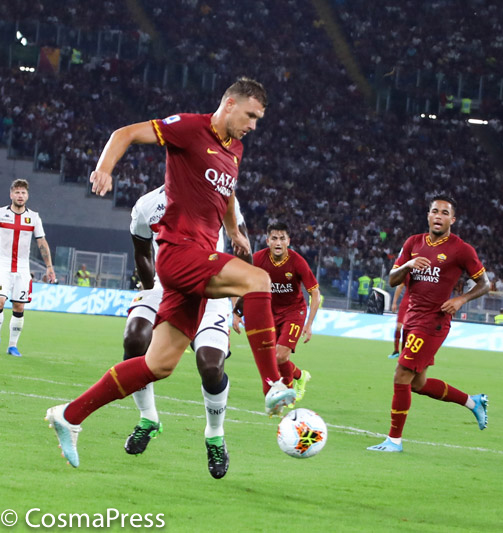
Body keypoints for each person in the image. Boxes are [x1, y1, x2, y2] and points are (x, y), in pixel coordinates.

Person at [45, 77, 296, 470]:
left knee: (158, 364)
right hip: (180, 253)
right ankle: (272, 385)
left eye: (258, 119)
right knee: (259, 279)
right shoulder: (190, 128)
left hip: (199, 259)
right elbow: (125, 133)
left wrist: (232, 228)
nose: (253, 125)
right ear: (229, 104)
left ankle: (70, 416)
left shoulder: (236, 148)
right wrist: (104, 168)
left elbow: (226, 192)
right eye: (250, 115)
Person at [122, 185, 248, 479]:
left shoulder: (221, 196)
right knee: (134, 338)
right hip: (165, 289)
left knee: (211, 366)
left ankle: (215, 436)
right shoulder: (147, 205)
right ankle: (147, 418)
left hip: (210, 290)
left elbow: (244, 248)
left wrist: (240, 301)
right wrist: (151, 289)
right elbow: (141, 252)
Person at [367, 195, 490, 453]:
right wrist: (409, 264)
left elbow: (484, 284)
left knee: (401, 375)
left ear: (452, 220)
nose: (438, 216)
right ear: (428, 215)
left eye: (445, 213)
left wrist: (460, 300)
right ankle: (473, 402)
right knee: (417, 384)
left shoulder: (461, 249)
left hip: (434, 322)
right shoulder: (413, 243)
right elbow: (391, 279)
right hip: (412, 320)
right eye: (435, 211)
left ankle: (394, 441)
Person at [234, 222, 320, 403]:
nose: (278, 242)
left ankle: (287, 393)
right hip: (269, 314)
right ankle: (300, 376)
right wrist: (236, 313)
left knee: (280, 355)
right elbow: (241, 284)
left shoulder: (297, 262)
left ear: (288, 241)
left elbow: (315, 292)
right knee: (272, 358)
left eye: (282, 238)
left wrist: (309, 323)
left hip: (294, 312)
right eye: (274, 238)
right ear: (268, 241)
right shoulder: (257, 259)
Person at [0, 179, 57, 357]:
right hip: (2, 264)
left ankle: (12, 346)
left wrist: (49, 266)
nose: (20, 195)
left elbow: (41, 242)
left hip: (23, 268)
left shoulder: (33, 217)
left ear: (27, 195)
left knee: (18, 306)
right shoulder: (1, 214)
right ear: (11, 194)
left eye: (23, 192)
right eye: (17, 192)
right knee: (0, 301)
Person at [387, 274, 410, 359]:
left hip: (417, 302)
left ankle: (405, 351)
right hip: (406, 301)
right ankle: (396, 351)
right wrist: (394, 302)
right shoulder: (408, 272)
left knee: (408, 328)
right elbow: (400, 286)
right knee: (398, 326)